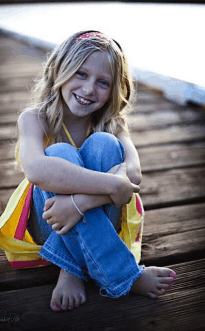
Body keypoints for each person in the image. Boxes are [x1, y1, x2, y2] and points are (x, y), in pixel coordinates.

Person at [16, 30, 176, 312]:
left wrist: (79, 203)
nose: (89, 89)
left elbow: (133, 174)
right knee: (59, 154)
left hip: (78, 212)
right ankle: (124, 274)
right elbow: (37, 171)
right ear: (58, 71)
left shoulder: (113, 124)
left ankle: (70, 270)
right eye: (80, 74)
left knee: (104, 144)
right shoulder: (34, 119)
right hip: (50, 219)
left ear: (115, 89)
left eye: (103, 82)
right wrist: (110, 185)